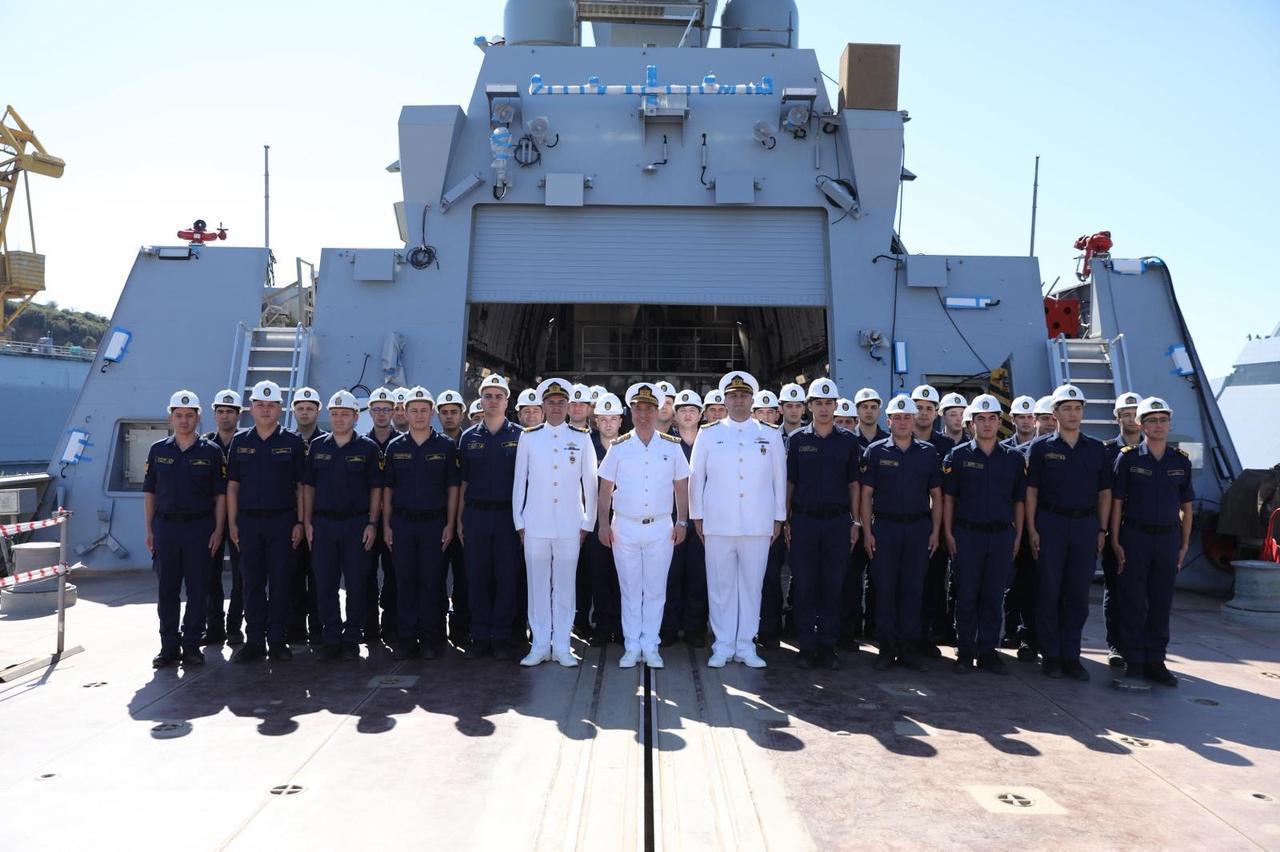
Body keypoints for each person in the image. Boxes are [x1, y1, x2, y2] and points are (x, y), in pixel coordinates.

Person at [689, 371, 786, 669]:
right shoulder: (709, 433)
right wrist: (697, 515)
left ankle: (746, 645)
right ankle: (722, 645)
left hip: (757, 523)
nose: (738, 400)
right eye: (733, 396)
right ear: (725, 400)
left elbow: (779, 478)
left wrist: (778, 517)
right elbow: (696, 478)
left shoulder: (770, 434)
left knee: (751, 587)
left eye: (743, 396)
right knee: (720, 588)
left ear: (752, 399)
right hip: (718, 522)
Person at [598, 383, 690, 668]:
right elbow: (605, 488)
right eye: (638, 409)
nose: (644, 414)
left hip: (660, 526)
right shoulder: (619, 446)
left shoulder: (671, 446)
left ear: (657, 411)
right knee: (629, 589)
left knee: (655, 590)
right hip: (624, 526)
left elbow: (681, 486)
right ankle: (631, 645)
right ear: (631, 412)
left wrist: (682, 521)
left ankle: (650, 645)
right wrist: (603, 524)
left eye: (649, 409)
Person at [1026, 383, 1112, 681]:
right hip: (1051, 524)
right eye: (1066, 409)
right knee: (1049, 591)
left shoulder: (1097, 449)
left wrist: (1102, 529)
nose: (1073, 414)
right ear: (1055, 413)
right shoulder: (1041, 448)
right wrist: (1032, 528)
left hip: (1085, 526)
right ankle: (1051, 655)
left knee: (1077, 593)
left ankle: (1071, 656)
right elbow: (1032, 491)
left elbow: (1104, 494)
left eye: (1077, 408)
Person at [513, 377, 599, 667]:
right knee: (537, 586)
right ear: (543, 406)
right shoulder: (529, 437)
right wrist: (519, 521)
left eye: (562, 403)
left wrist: (588, 523)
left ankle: (562, 645)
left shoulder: (581, 438)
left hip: (569, 524)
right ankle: (539, 645)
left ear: (569, 406)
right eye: (551, 403)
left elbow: (590, 485)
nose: (556, 407)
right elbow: (520, 482)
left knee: (565, 587)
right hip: (535, 523)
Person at [1109, 397, 1192, 690]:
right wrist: (1115, 540)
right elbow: (1117, 503)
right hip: (1135, 537)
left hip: (1168, 538)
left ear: (1169, 424)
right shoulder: (1128, 458)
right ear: (1141, 425)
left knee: (1161, 602)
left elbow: (1187, 507)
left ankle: (1156, 661)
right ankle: (1134, 662)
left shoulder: (1180, 460)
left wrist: (1184, 545)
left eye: (1163, 420)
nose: (1159, 425)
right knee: (1133, 601)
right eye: (1152, 420)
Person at [943, 394, 1026, 675]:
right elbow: (948, 499)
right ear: (971, 423)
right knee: (966, 595)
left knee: (993, 596)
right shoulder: (958, 456)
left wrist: (1018, 535)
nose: (987, 423)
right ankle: (965, 651)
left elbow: (1019, 501)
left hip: (1001, 537)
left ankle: (988, 651)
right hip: (967, 535)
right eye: (981, 418)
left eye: (992, 418)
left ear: (999, 423)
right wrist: (948, 533)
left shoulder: (1014, 459)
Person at [226, 380, 307, 663]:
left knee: (281, 582)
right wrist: (232, 523)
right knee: (252, 583)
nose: (265, 410)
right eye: (260, 404)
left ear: (280, 409)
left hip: (282, 522)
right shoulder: (240, 442)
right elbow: (232, 486)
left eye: (271, 405)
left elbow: (301, 487)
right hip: (248, 523)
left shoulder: (292, 442)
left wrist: (300, 522)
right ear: (251, 408)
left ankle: (278, 640)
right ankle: (255, 641)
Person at [860, 394, 942, 672]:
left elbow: (937, 496)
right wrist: (867, 531)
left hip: (918, 529)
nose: (904, 422)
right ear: (889, 421)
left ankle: (908, 648)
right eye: (898, 417)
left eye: (908, 417)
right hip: (885, 528)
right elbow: (866, 495)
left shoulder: (928, 452)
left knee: (913, 589)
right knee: (885, 589)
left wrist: (936, 531)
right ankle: (886, 647)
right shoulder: (876, 452)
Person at [144, 390, 226, 667]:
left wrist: (218, 530)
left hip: (199, 528)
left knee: (198, 589)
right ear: (171, 417)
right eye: (178, 415)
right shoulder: (158, 450)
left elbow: (220, 496)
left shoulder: (211, 452)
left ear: (198, 418)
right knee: (167, 590)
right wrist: (150, 530)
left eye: (189, 415)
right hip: (166, 528)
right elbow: (150, 492)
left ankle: (191, 644)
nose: (184, 420)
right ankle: (168, 647)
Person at [785, 377, 860, 669]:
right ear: (810, 406)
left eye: (829, 403)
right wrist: (786, 519)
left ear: (836, 405)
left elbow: (854, 484)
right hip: (804, 522)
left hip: (837, 523)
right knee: (805, 585)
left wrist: (855, 521)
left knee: (832, 585)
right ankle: (806, 646)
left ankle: (828, 646)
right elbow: (790, 483)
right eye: (819, 403)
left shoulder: (849, 441)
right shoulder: (797, 440)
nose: (825, 408)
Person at [304, 390, 382, 661]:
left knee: (356, 583)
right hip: (323, 524)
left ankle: (352, 638)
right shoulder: (318, 447)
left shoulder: (368, 449)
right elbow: (308, 487)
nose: (339, 419)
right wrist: (307, 522)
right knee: (325, 583)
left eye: (345, 414)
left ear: (355, 416)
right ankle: (331, 637)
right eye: (335, 414)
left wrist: (372, 523)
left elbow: (376, 489)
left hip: (356, 524)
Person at [383, 387, 460, 660]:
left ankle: (430, 638)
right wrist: (386, 525)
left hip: (434, 524)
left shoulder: (445, 446)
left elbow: (453, 489)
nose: (418, 415)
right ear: (405, 413)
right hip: (402, 523)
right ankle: (406, 639)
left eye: (423, 410)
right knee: (404, 581)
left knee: (432, 582)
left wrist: (450, 524)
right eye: (413, 410)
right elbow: (388, 490)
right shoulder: (395, 447)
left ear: (432, 413)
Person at [458, 374, 524, 660]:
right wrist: (459, 519)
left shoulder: (521, 436)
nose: (493, 401)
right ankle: (480, 635)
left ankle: (502, 636)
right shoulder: (468, 437)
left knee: (507, 577)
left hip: (508, 518)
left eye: (499, 396)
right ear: (481, 401)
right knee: (477, 576)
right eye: (488, 396)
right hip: (476, 516)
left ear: (507, 402)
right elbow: (463, 482)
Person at [661, 390, 708, 647]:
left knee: (699, 575)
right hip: (672, 517)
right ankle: (668, 627)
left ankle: (694, 629)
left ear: (701, 415)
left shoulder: (710, 440)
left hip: (704, 518)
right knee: (671, 574)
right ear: (675, 416)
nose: (688, 415)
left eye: (693, 410)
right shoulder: (665, 443)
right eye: (682, 411)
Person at [911, 384, 954, 657]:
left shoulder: (947, 446)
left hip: (933, 524)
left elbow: (948, 493)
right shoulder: (899, 438)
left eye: (929, 408)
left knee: (933, 582)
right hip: (905, 521)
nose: (924, 413)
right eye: (919, 407)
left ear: (937, 412)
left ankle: (925, 635)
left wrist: (943, 530)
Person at [1102, 390, 1144, 667]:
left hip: (1144, 529)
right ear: (1117, 418)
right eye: (1125, 414)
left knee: (1144, 592)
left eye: (1135, 414)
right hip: (1115, 529)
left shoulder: (1154, 450)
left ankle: (1139, 644)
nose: (1131, 419)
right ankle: (1116, 644)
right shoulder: (1106, 451)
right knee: (1115, 589)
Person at [844, 387, 888, 645]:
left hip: (879, 520)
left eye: (873, 407)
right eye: (864, 407)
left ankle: (873, 628)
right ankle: (849, 630)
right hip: (852, 521)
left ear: (879, 411)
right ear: (857, 410)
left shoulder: (888, 441)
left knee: (879, 578)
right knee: (851, 578)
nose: (869, 411)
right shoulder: (847, 441)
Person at [1000, 394, 1041, 661]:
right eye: (1020, 417)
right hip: (1012, 526)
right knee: (1009, 583)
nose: (1025, 422)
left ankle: (1029, 635)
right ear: (1012, 419)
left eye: (1029, 417)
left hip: (1036, 526)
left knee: (1032, 583)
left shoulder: (1043, 449)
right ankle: (1010, 630)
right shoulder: (1004, 450)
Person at [204, 389, 244, 647]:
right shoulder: (205, 445)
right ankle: (214, 626)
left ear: (238, 415)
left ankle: (234, 627)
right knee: (210, 574)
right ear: (214, 414)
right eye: (220, 411)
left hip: (241, 518)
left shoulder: (248, 442)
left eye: (230, 411)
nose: (225, 416)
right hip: (210, 519)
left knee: (242, 576)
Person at [585, 392, 624, 646]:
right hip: (594, 518)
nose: (608, 424)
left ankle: (621, 627)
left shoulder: (629, 446)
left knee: (622, 574)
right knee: (598, 573)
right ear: (596, 421)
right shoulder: (586, 445)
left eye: (613, 419)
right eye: (603, 419)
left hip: (623, 518)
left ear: (621, 421)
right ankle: (602, 625)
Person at [288, 386, 324, 646]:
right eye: (300, 408)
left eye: (309, 408)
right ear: (293, 411)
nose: (304, 412)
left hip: (319, 519)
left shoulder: (327, 442)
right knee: (292, 574)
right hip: (290, 520)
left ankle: (318, 628)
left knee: (319, 576)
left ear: (317, 411)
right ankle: (296, 627)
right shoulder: (286, 442)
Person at [363, 387, 399, 645]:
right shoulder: (362, 444)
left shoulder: (402, 444)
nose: (382, 414)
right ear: (370, 412)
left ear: (394, 412)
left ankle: (390, 624)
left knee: (393, 573)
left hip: (395, 521)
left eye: (386, 409)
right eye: (377, 409)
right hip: (366, 520)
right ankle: (369, 625)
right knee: (365, 573)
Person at [435, 388, 471, 646]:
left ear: (462, 414)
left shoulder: (470, 442)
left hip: (467, 522)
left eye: (454, 412)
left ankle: (461, 629)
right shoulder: (433, 443)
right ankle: (436, 629)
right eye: (445, 412)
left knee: (464, 578)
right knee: (435, 577)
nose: (449, 416)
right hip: (438, 521)